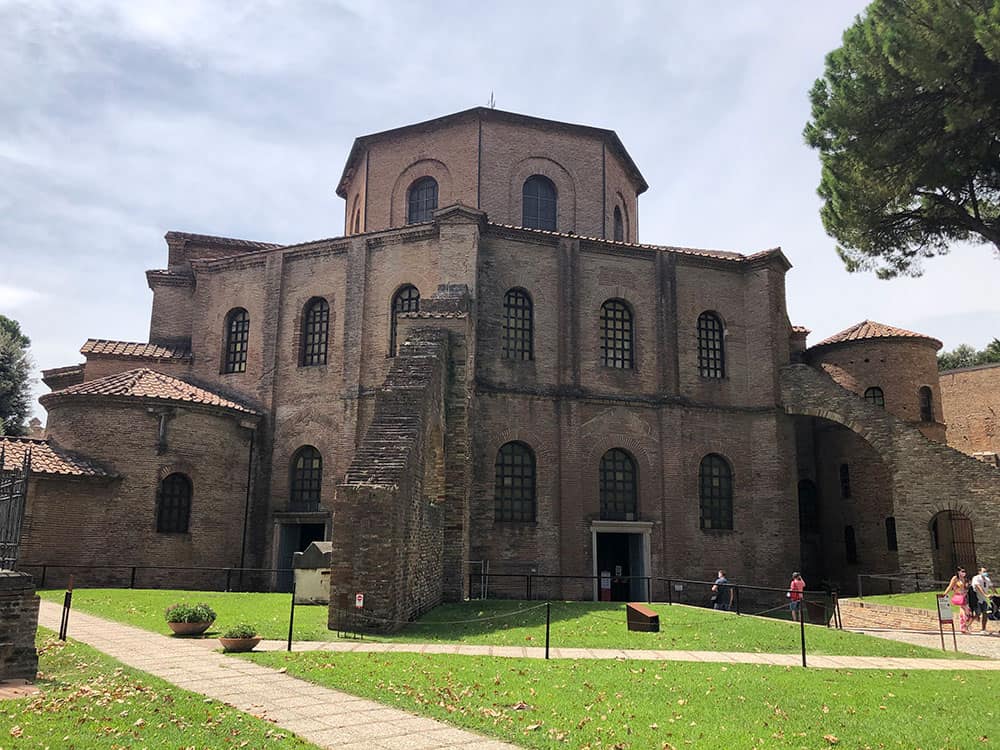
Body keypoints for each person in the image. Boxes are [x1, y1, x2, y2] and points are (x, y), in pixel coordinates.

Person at [944, 567, 972, 634]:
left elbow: (966, 588)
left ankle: (964, 627)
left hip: (965, 596)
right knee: (965, 611)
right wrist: (944, 594)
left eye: (964, 571)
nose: (964, 573)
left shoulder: (964, 579)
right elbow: (950, 586)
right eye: (962, 571)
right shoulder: (955, 578)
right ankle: (964, 627)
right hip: (959, 596)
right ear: (958, 572)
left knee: (966, 612)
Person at [971, 566, 994, 634]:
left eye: (986, 572)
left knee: (985, 613)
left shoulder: (987, 579)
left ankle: (983, 629)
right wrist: (985, 594)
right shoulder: (976, 578)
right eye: (984, 571)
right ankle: (967, 625)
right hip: (976, 598)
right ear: (979, 572)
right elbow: (978, 587)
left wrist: (996, 594)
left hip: (984, 600)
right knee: (978, 613)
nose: (985, 573)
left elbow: (992, 587)